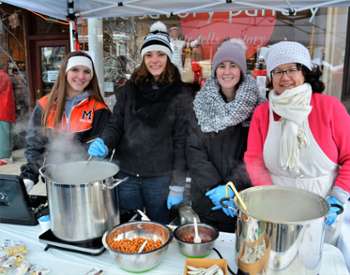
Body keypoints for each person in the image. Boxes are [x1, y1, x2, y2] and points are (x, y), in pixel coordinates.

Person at [244, 41, 350, 243]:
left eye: (292, 69)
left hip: (322, 206)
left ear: (305, 72)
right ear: (270, 77)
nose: (285, 77)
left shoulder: (329, 107)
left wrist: (337, 198)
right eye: (277, 71)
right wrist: (268, 196)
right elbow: (254, 159)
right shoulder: (262, 113)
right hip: (276, 207)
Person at [88, 24, 192, 224]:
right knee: (129, 227)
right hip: (126, 173)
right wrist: (105, 141)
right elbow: (116, 123)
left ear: (168, 57)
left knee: (159, 228)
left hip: (160, 177)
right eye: (149, 55)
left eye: (160, 54)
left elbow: (181, 141)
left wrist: (177, 184)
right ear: (143, 59)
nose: (155, 60)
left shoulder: (179, 93)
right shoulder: (130, 88)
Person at [187, 39, 263, 232]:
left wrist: (232, 187)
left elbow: (257, 155)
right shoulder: (200, 103)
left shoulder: (258, 107)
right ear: (215, 70)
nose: (227, 71)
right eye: (221, 66)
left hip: (242, 198)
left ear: (242, 71)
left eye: (233, 66)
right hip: (207, 197)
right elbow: (194, 149)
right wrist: (214, 188)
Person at [20, 51, 110, 191]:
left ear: (92, 76)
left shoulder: (98, 109)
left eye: (86, 71)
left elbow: (108, 143)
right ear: (65, 72)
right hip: (54, 182)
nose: (81, 76)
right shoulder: (45, 105)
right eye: (75, 69)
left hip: (89, 183)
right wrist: (29, 176)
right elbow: (34, 146)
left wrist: (105, 149)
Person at [0, 62, 16, 165]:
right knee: (6, 133)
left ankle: (4, 157)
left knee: (3, 134)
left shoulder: (1, 75)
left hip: (2, 108)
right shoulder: (4, 75)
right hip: (6, 108)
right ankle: (7, 155)